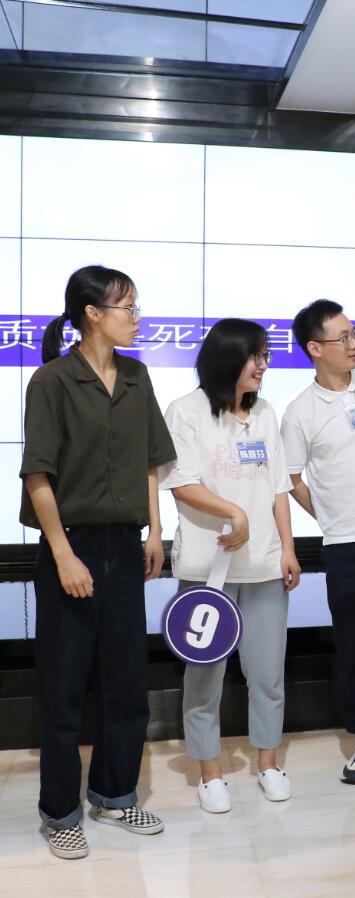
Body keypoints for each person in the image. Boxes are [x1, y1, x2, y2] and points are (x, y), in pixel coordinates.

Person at [20, 265, 175, 860]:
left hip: (125, 546)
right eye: (127, 307)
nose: (136, 318)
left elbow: (149, 461)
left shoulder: (136, 376)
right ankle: (60, 813)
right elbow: (38, 474)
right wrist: (63, 555)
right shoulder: (52, 381)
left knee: (126, 683)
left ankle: (114, 794)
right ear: (92, 313)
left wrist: (155, 529)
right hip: (72, 545)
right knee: (64, 688)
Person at [160, 318, 301, 813]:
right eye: (254, 356)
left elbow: (279, 488)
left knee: (268, 672)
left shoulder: (264, 413)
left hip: (263, 565)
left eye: (265, 356)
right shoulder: (186, 411)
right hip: (208, 570)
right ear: (227, 358)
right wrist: (233, 512)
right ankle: (210, 771)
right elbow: (182, 484)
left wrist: (288, 547)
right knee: (205, 677)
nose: (263, 366)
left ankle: (268, 762)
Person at [283, 299, 355, 784]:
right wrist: (325, 513)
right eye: (343, 337)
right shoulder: (300, 412)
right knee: (353, 646)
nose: (353, 344)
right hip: (345, 542)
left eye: (354, 334)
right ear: (315, 348)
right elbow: (289, 477)